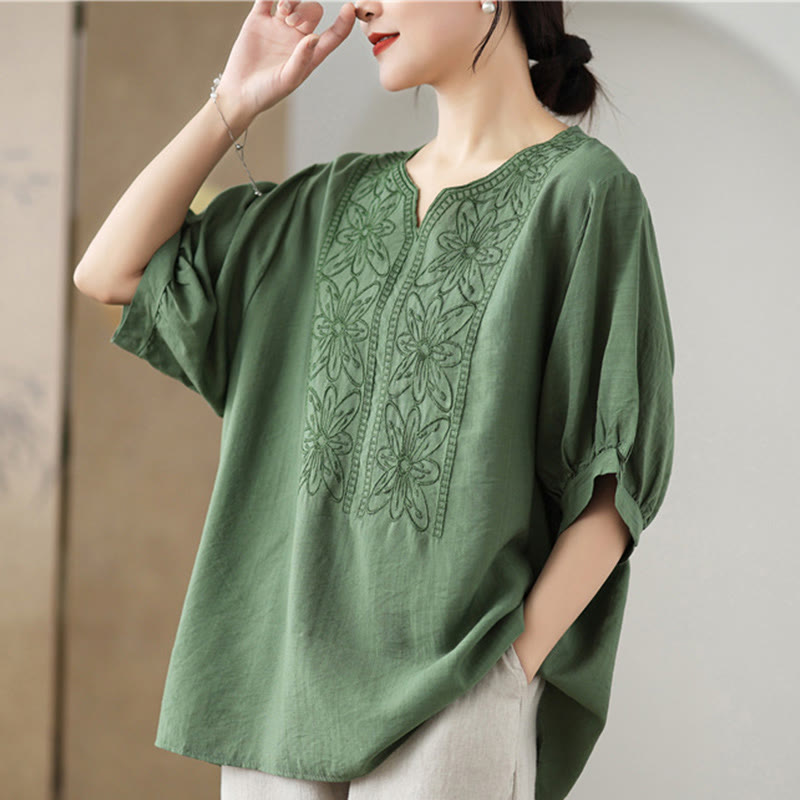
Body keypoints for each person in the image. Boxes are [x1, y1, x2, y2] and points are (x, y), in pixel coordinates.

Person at [73, 1, 676, 799]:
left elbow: (613, 475)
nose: (360, 4)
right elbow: (110, 270)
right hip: (278, 694)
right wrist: (236, 99)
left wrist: (507, 670)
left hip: (453, 692)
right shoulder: (332, 203)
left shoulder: (584, 195)